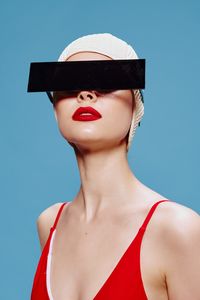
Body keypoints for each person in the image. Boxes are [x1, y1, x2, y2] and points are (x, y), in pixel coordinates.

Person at [30, 33, 200, 300]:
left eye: (107, 82)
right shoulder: (50, 223)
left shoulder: (177, 229)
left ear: (135, 107)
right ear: (55, 109)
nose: (85, 93)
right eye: (68, 83)